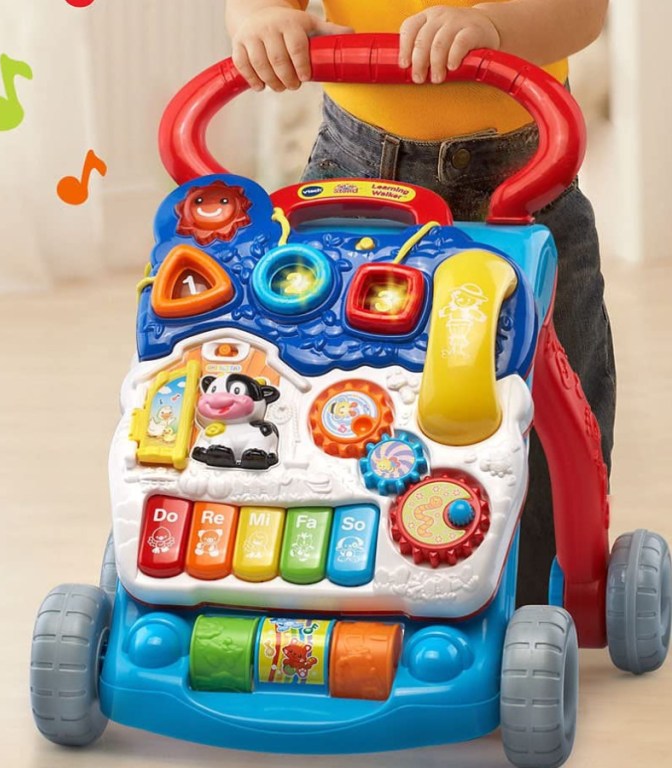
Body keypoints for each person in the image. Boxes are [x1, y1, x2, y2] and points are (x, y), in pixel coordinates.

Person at [225, 0, 614, 605]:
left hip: (523, 175)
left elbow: (582, 12)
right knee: (328, 382)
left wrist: (495, 29)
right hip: (353, 165)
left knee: (550, 391)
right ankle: (343, 571)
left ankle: (541, 597)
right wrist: (261, 21)